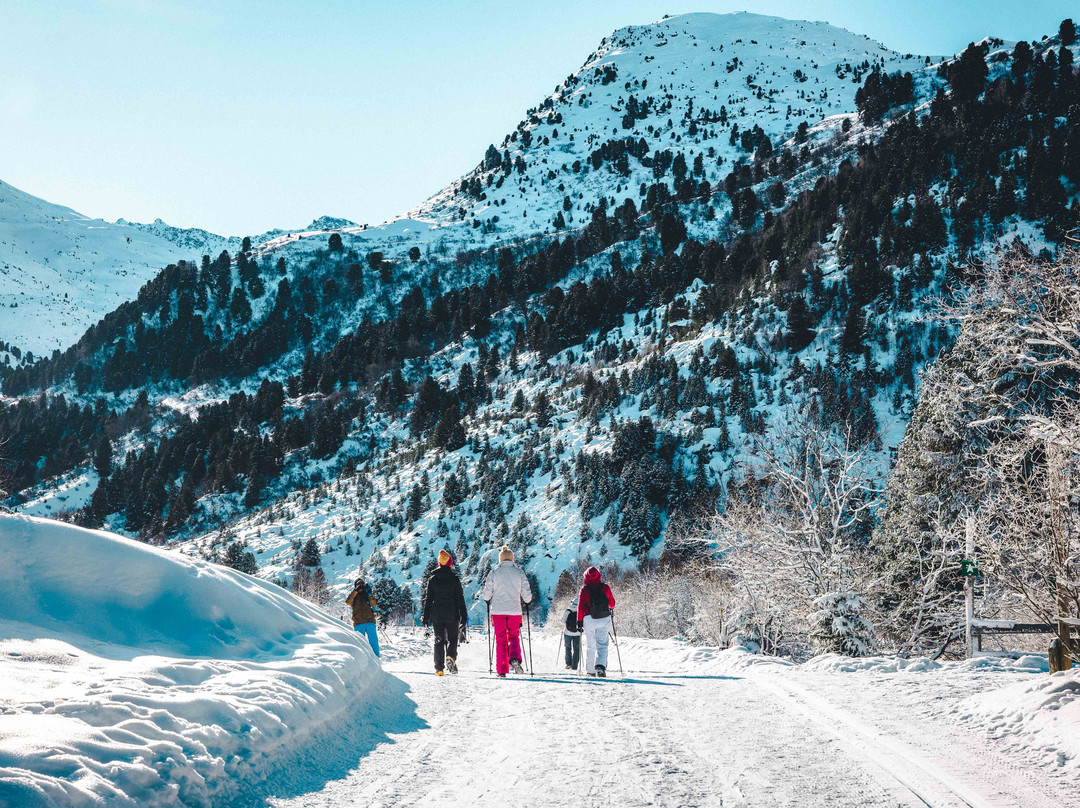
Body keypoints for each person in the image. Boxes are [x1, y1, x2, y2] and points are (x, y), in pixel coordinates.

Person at [480, 545, 532, 677]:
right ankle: (515, 658)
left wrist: (487, 599)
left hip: (498, 611)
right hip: (514, 611)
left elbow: (487, 594)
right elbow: (526, 594)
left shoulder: (494, 572)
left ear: (501, 559)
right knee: (514, 636)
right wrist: (527, 601)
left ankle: (502, 670)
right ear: (512, 559)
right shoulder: (519, 572)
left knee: (501, 639)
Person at [421, 550, 469, 676]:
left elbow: (428, 600)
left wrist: (426, 617)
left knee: (439, 640)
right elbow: (460, 599)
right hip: (452, 614)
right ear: (450, 564)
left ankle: (439, 668)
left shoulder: (432, 580)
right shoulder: (454, 579)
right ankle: (450, 657)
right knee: (453, 639)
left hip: (437, 614)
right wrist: (464, 616)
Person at [576, 566, 615, 677]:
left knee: (591, 645)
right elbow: (612, 604)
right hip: (604, 618)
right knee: (602, 644)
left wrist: (579, 622)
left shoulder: (584, 589)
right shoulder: (605, 587)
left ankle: (590, 671)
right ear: (599, 576)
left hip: (589, 619)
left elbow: (580, 607)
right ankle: (600, 666)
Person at [346, 578, 380, 658]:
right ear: (355, 586)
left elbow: (374, 605)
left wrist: (370, 594)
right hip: (358, 623)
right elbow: (348, 602)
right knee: (359, 643)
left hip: (370, 621)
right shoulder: (354, 596)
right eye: (358, 585)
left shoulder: (367, 595)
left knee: (373, 642)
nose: (361, 586)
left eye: (362, 584)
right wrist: (355, 591)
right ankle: (361, 659)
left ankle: (377, 658)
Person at [562, 598, 581, 670]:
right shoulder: (581, 611)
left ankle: (568, 664)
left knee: (568, 648)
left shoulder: (568, 611)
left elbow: (562, 621)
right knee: (576, 649)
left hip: (567, 633)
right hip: (578, 633)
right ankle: (574, 666)